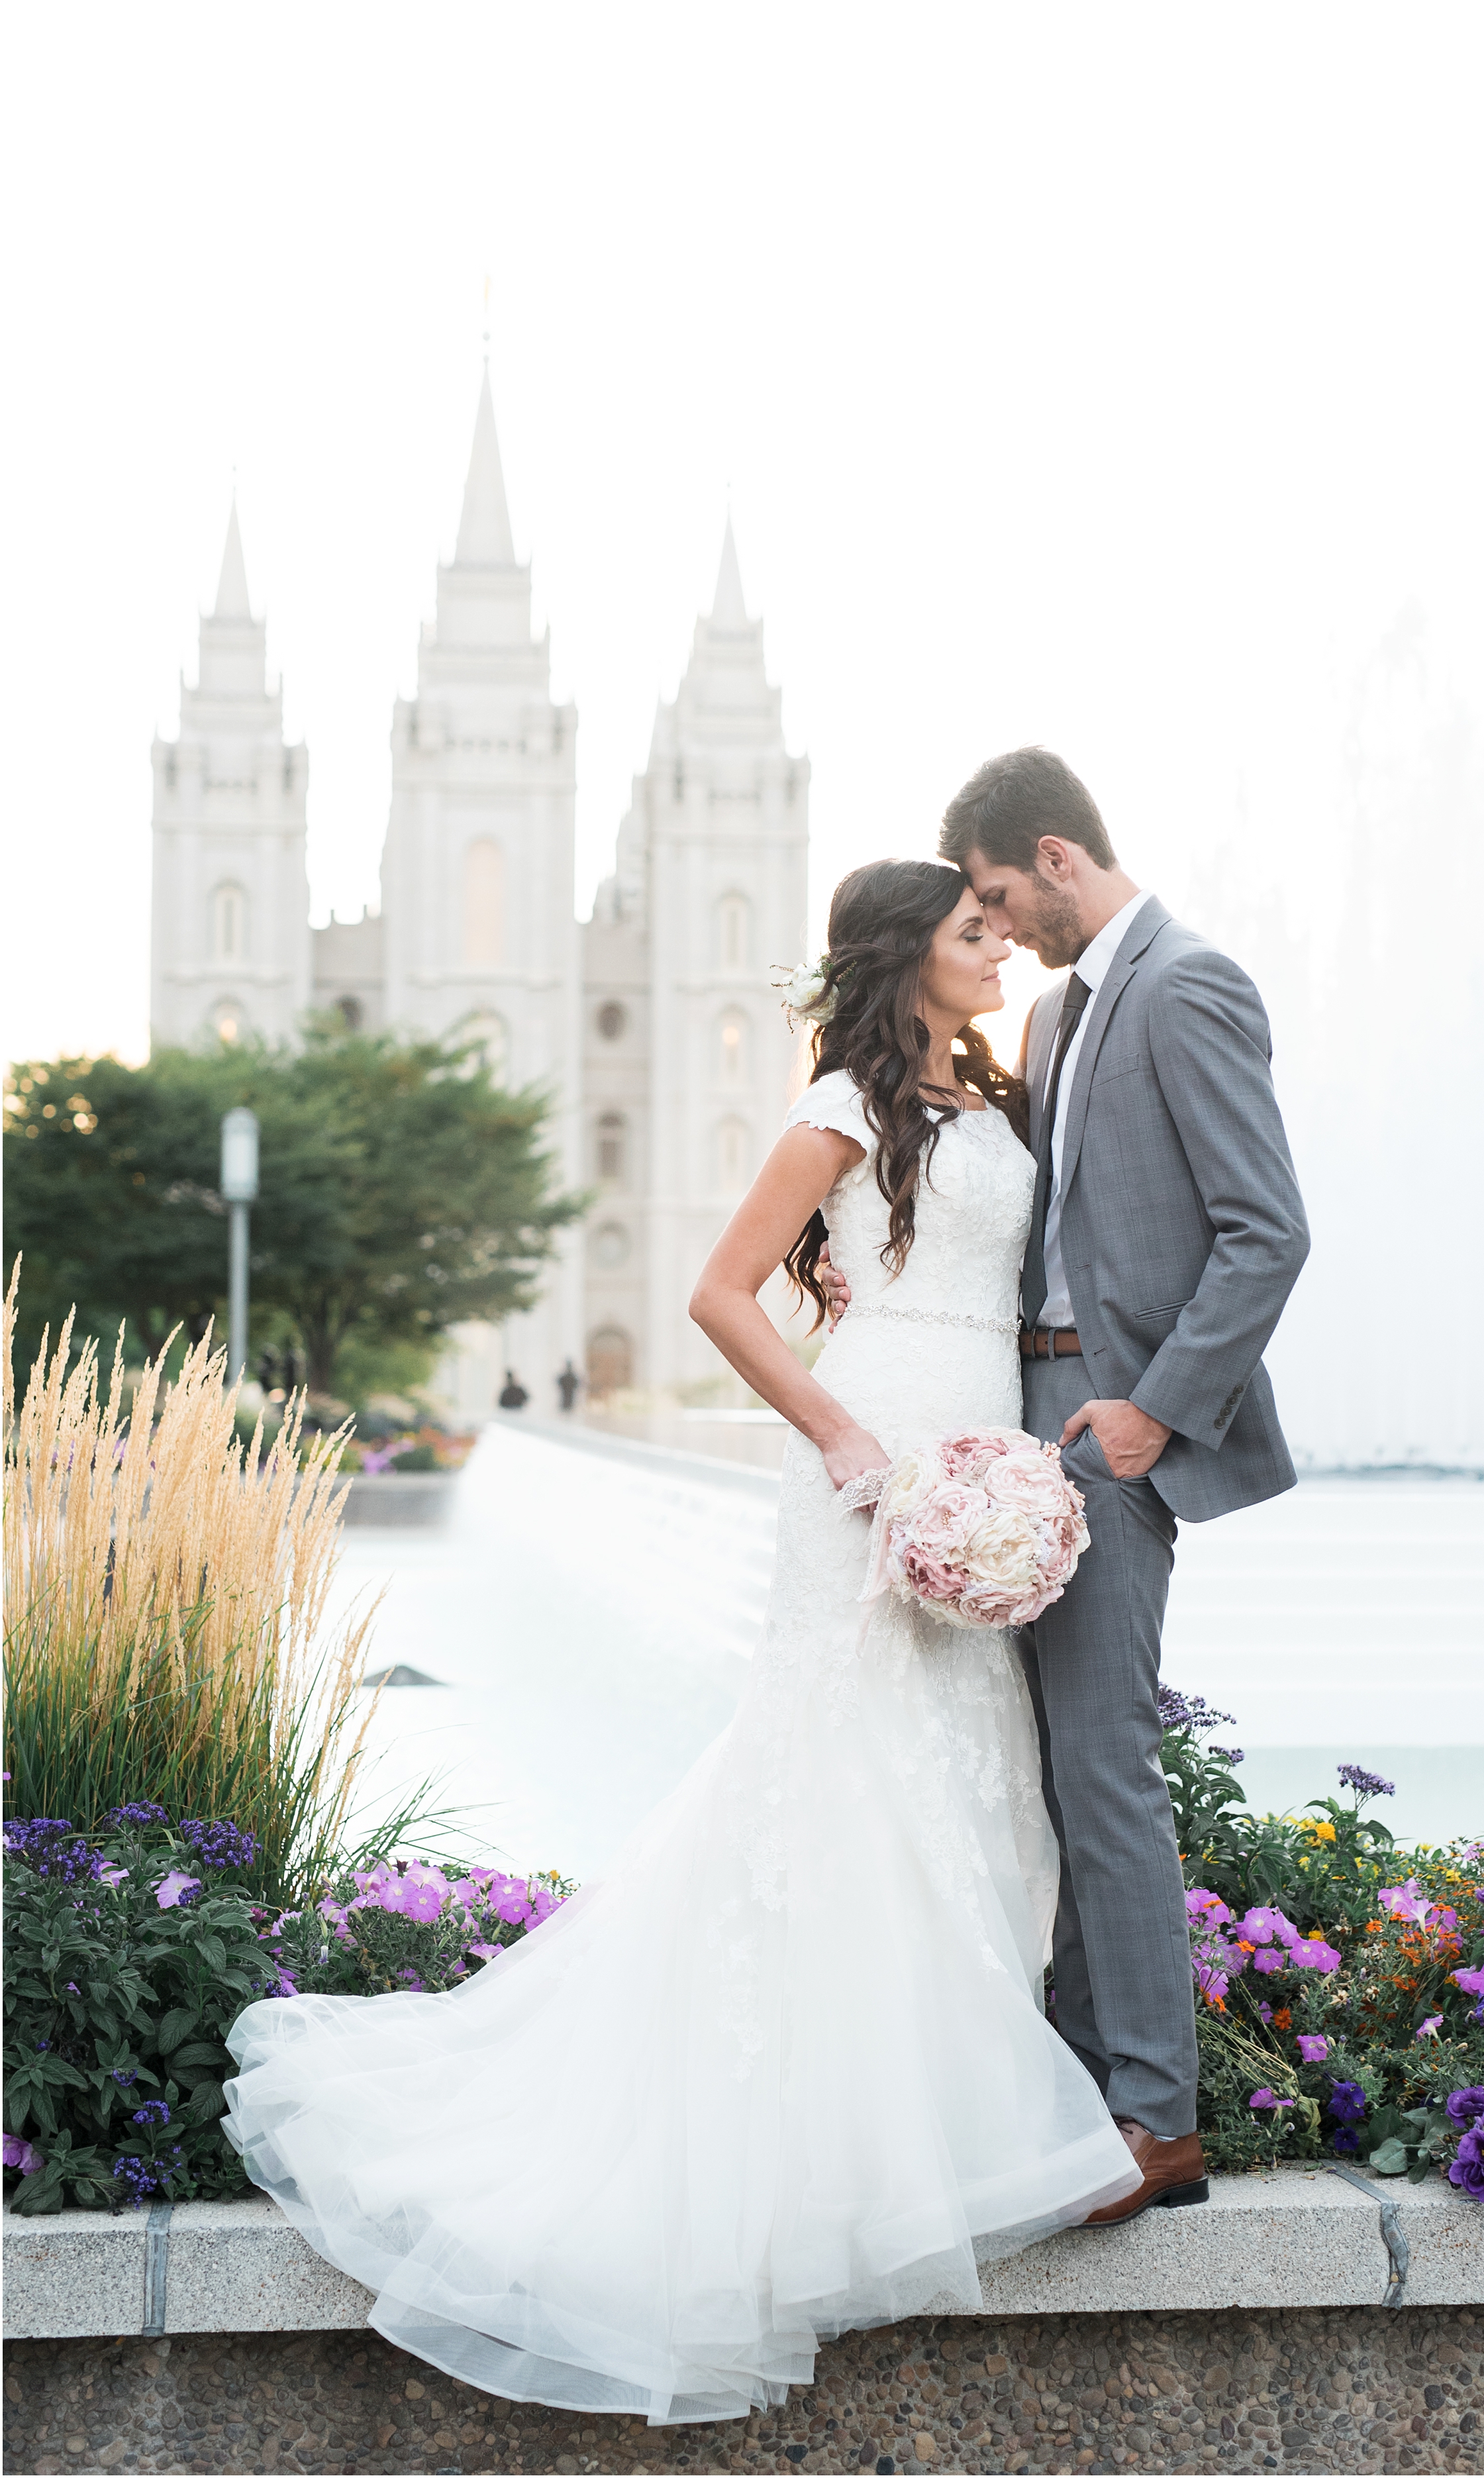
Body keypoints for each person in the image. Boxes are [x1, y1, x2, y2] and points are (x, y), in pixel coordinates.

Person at [222, 856, 1142, 2426]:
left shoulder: (999, 1092)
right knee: (844, 1769)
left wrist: (994, 1474)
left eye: (1001, 926)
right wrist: (850, 1443)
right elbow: (720, 1295)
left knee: (966, 1768)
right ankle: (822, 2142)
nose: (998, 949)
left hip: (977, 1446)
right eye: (971, 930)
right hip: (869, 1454)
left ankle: (933, 2121)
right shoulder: (847, 1102)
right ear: (903, 954)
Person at [825, 749, 1310, 2219]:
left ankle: (1153, 2121)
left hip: (1106, 1430)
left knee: (1101, 1761)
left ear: (1049, 855)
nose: (991, 927)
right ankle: (1085, 2085)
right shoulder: (1052, 1010)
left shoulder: (1187, 983)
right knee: (1052, 1766)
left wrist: (1154, 1417)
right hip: (1016, 1421)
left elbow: (1262, 1233)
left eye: (988, 898)